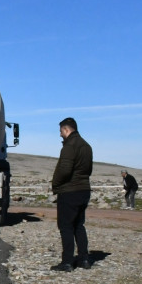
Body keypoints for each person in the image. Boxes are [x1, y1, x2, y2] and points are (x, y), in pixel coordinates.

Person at [50, 117, 93, 272]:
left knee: (66, 226)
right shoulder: (87, 146)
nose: (60, 135)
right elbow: (88, 170)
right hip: (84, 190)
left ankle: (67, 262)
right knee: (79, 225)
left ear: (66, 130)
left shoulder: (69, 146)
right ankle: (84, 259)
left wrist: (55, 183)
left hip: (70, 191)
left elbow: (65, 170)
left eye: (61, 131)